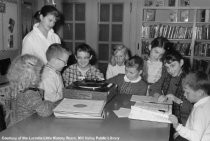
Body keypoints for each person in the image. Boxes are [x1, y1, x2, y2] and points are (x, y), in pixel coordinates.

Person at [6, 54, 54, 126]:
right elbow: (45, 112)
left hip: (15, 127)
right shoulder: (29, 93)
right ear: (33, 75)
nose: (40, 75)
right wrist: (51, 104)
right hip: (26, 129)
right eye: (39, 72)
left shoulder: (16, 89)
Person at [149, 49, 193, 126]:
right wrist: (159, 96)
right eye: (167, 67)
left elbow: (193, 109)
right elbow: (153, 88)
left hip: (185, 122)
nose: (170, 70)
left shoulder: (191, 80)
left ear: (181, 62)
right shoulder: (166, 75)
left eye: (173, 65)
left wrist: (177, 100)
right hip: (167, 116)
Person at [169, 71, 210, 141]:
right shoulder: (206, 102)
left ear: (200, 93)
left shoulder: (201, 110)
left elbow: (195, 138)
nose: (184, 95)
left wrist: (177, 126)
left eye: (187, 92)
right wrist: (181, 131)